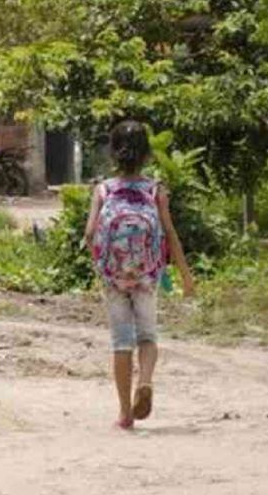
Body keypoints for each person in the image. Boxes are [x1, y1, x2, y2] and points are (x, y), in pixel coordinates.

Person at [84, 120, 195, 430]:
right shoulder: (154, 190)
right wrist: (185, 276)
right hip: (147, 275)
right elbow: (170, 234)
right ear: (147, 154)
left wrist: (103, 262)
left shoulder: (103, 190)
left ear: (113, 153)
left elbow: (91, 232)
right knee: (147, 336)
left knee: (121, 342)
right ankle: (144, 381)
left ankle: (124, 413)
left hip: (115, 276)